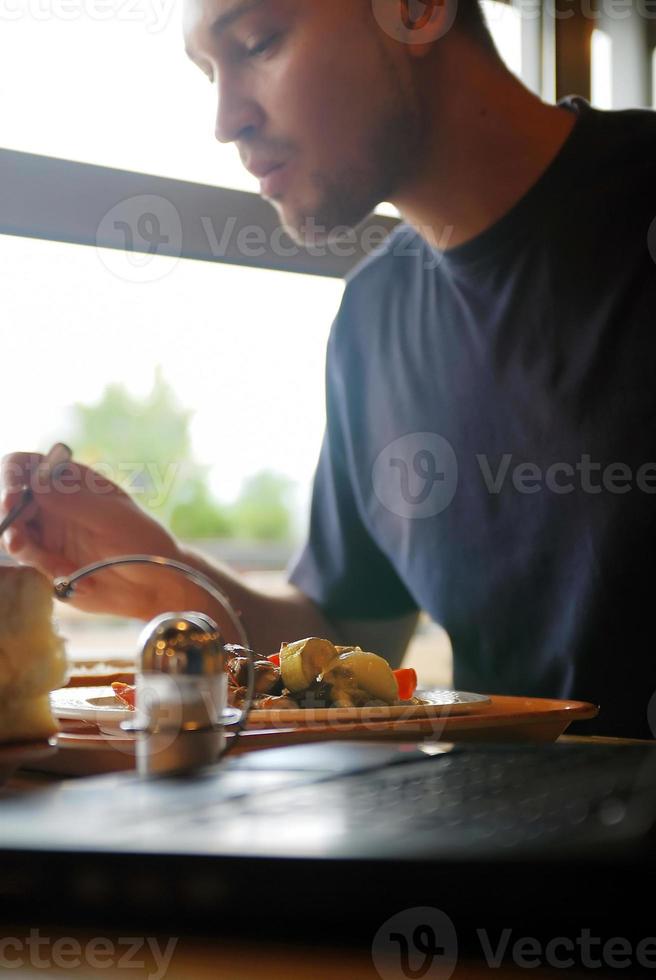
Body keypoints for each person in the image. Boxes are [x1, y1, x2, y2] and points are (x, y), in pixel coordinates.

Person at [2, 0, 656, 738]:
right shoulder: (373, 313)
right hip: (491, 836)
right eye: (208, 73)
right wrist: (168, 573)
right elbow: (357, 645)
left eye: (258, 43)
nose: (226, 120)